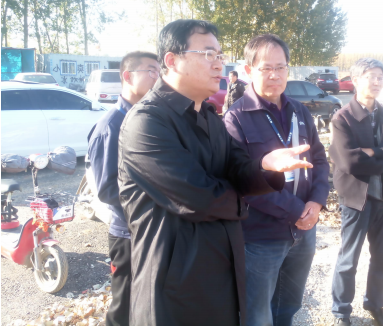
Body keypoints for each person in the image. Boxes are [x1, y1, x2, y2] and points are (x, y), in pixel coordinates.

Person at [117, 19, 312, 326]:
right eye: (208, 54)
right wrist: (246, 200)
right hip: (174, 282)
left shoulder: (208, 116)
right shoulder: (147, 122)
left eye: (220, 55)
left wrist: (265, 166)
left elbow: (238, 168)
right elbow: (199, 197)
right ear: (172, 60)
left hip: (219, 271)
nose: (219, 64)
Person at [224, 34, 330, 326]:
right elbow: (242, 180)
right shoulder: (236, 118)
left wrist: (316, 202)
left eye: (281, 67)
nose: (275, 75)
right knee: (258, 314)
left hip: (304, 230)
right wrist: (297, 211)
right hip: (261, 237)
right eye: (266, 68)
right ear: (249, 71)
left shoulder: (299, 110)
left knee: (289, 305)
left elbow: (319, 159)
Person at [330, 58, 383, 326]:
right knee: (349, 259)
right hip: (357, 200)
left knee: (382, 257)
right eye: (370, 76)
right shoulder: (343, 118)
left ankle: (375, 304)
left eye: (380, 77)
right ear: (356, 80)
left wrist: (375, 152)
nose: (377, 82)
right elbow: (350, 162)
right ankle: (341, 311)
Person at [87, 51, 160, 326]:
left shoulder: (150, 119)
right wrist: (151, 203)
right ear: (127, 76)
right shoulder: (111, 126)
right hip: (128, 233)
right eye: (150, 71)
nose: (157, 78)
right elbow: (107, 188)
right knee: (124, 303)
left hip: (151, 229)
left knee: (147, 301)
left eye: (159, 72)